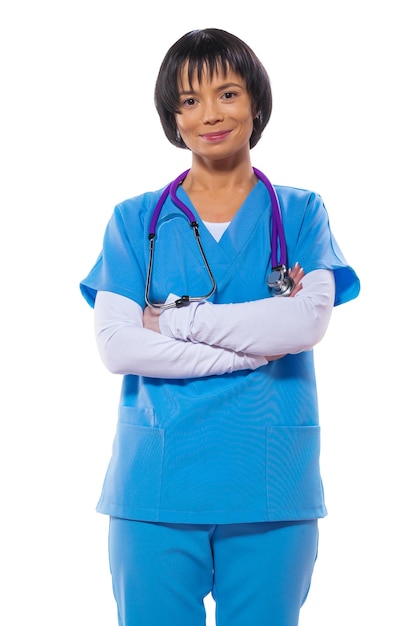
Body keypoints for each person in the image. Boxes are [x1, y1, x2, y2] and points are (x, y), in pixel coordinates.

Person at [80, 28, 360, 626]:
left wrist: (176, 321)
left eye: (227, 94)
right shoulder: (136, 222)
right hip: (156, 488)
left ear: (256, 104)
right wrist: (249, 349)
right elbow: (117, 345)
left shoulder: (301, 212)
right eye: (189, 100)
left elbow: (306, 321)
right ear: (172, 117)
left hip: (270, 485)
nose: (210, 114)